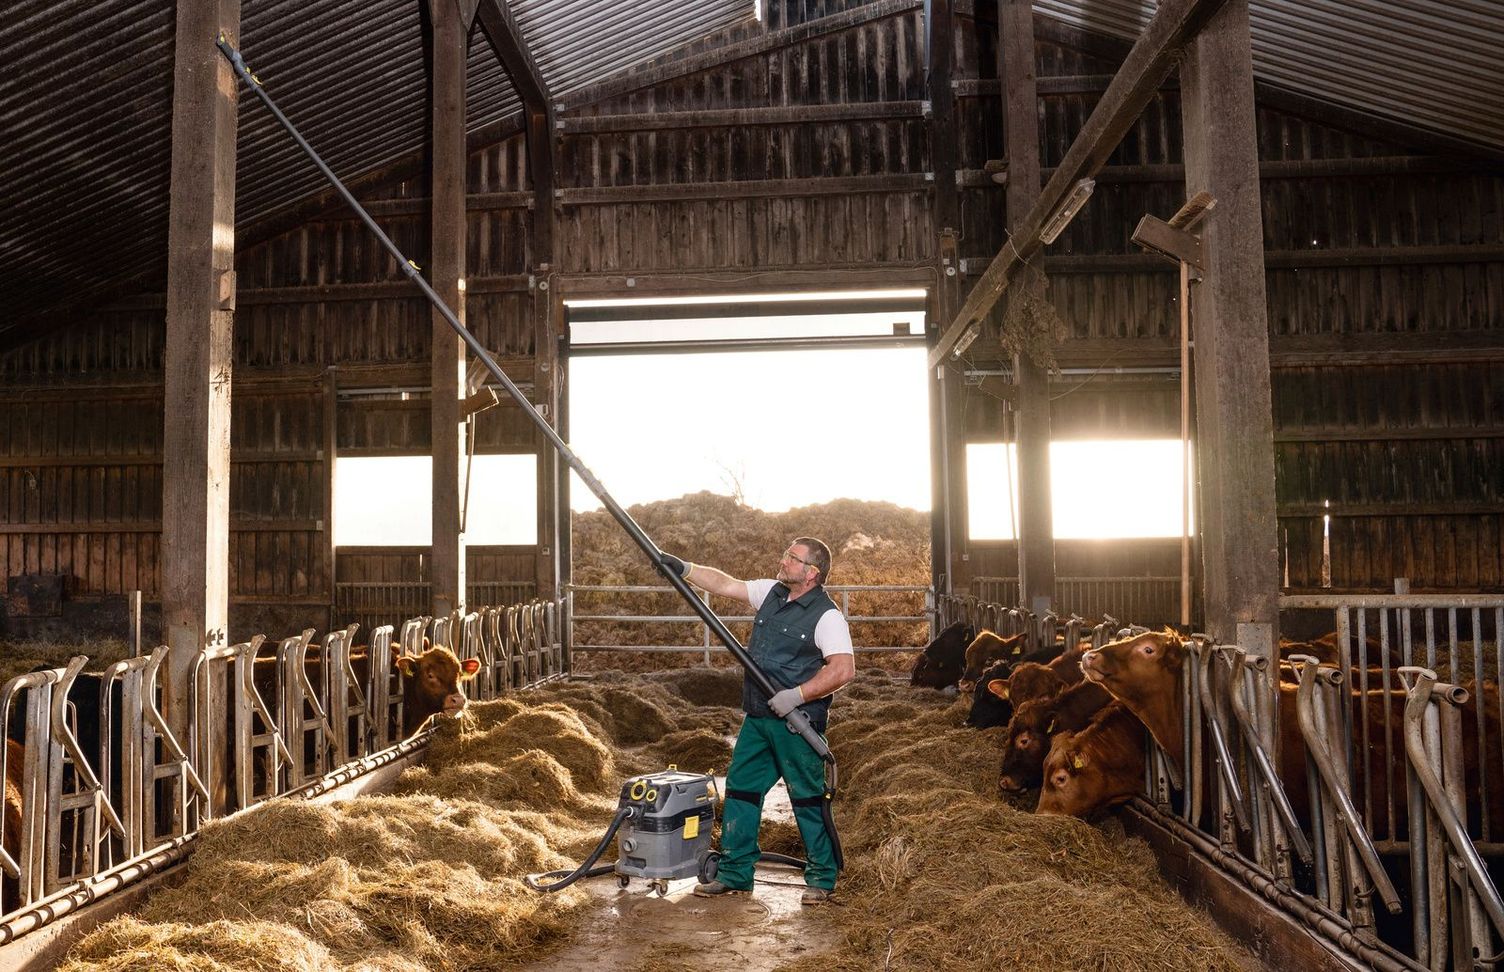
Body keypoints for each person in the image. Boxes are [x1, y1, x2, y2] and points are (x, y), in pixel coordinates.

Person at [659, 537, 855, 905]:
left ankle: (823, 878)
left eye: (792, 558)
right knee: (742, 789)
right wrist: (684, 569)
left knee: (808, 798)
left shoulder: (827, 616)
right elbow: (725, 583)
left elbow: (843, 669)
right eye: (785, 554)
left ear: (811, 572)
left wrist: (797, 695)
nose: (782, 561)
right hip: (759, 717)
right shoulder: (772, 593)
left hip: (797, 723)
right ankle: (735, 872)